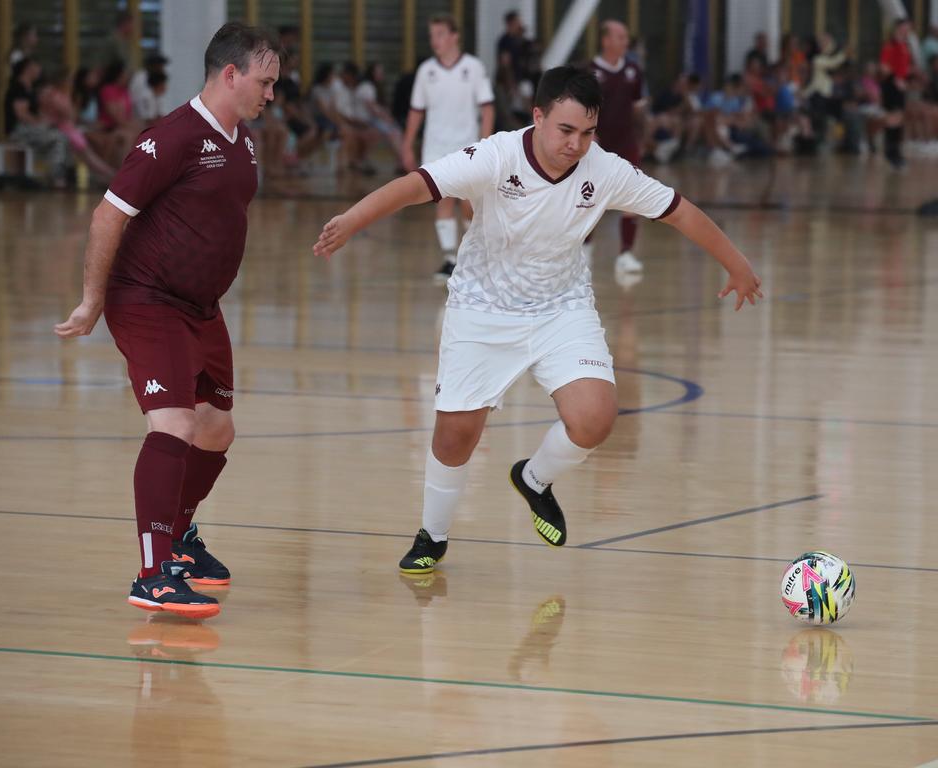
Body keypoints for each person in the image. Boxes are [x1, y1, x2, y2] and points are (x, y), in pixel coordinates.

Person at [313, 66, 762, 573]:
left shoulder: (605, 170)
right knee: (457, 435)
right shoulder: (496, 156)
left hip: (560, 307)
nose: (577, 144)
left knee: (595, 417)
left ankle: (534, 478)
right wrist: (351, 220)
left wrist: (736, 262)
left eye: (588, 133)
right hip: (482, 307)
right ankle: (432, 536)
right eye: (566, 130)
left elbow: (679, 211)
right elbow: (417, 186)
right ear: (539, 117)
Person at [54, 23, 281, 619]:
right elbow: (109, 216)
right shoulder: (172, 137)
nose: (271, 94)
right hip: (148, 299)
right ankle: (152, 574)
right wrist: (91, 300)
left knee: (215, 429)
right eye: (265, 82)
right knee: (175, 423)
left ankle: (178, 540)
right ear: (230, 75)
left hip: (201, 310)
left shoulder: (242, 139)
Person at [402, 14, 494, 282]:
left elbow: (487, 109)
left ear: (454, 36)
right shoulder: (425, 71)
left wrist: (484, 144)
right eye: (432, 36)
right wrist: (407, 143)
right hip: (435, 148)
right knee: (442, 201)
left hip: (467, 149)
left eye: (440, 34)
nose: (435, 41)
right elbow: (416, 111)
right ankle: (449, 259)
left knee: (469, 205)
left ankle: (473, 257)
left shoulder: (474, 68)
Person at [589, 20, 647, 276]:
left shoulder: (633, 70)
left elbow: (637, 109)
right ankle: (583, 253)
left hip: (626, 142)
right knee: (588, 198)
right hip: (596, 145)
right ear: (606, 40)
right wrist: (589, 136)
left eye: (626, 37)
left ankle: (625, 254)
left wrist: (642, 139)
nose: (625, 41)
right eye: (620, 36)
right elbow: (582, 110)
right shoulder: (589, 72)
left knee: (631, 197)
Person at [4, 57, 71, 188]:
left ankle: (57, 175)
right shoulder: (18, 87)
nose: (39, 70)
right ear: (29, 68)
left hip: (31, 129)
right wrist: (40, 123)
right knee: (59, 138)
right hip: (20, 130)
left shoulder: (31, 88)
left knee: (60, 136)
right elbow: (21, 114)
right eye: (37, 66)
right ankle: (57, 178)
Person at [880, 18, 914, 168]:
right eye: (905, 27)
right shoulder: (890, 45)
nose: (907, 30)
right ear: (898, 28)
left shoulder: (905, 45)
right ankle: (890, 153)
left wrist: (906, 78)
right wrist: (896, 79)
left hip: (901, 85)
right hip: (892, 86)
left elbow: (906, 66)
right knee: (892, 118)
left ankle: (896, 152)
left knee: (899, 118)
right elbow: (884, 67)